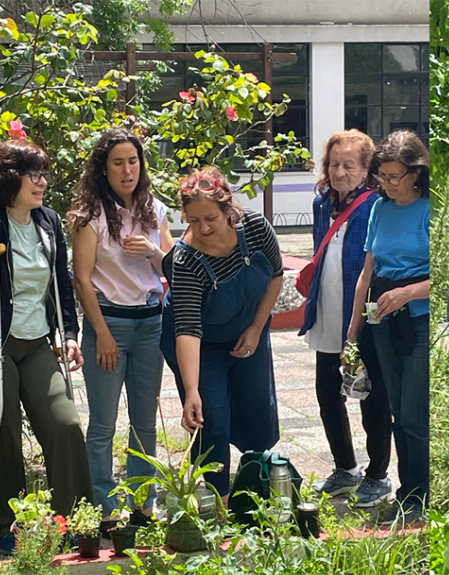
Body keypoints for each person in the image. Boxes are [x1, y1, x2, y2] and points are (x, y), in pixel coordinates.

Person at [0, 139, 92, 554]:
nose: (42, 182)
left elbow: (61, 286)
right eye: (33, 174)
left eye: (44, 173)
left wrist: (69, 333)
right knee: (4, 435)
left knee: (65, 424)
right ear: (8, 179)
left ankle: (77, 523)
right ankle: (6, 533)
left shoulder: (48, 222)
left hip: (37, 343)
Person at [69, 128, 175, 533]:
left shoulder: (154, 210)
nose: (127, 170)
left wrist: (153, 252)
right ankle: (105, 508)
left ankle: (143, 506)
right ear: (104, 168)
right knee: (102, 424)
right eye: (118, 162)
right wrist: (101, 333)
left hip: (150, 324)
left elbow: (170, 268)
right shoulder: (90, 215)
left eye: (133, 161)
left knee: (144, 422)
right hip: (107, 324)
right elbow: (82, 279)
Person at [160, 167, 284, 503]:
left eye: (211, 218)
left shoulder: (256, 228)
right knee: (211, 417)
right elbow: (187, 329)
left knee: (256, 408)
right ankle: (220, 506)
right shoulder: (185, 260)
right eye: (193, 220)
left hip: (248, 329)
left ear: (229, 209)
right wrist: (190, 391)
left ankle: (258, 492)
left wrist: (257, 329)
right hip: (201, 345)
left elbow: (275, 276)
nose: (202, 228)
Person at [299, 130, 394, 507]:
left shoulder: (377, 205)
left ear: (367, 169)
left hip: (362, 316)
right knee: (327, 390)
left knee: (372, 395)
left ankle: (378, 475)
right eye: (334, 164)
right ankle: (345, 468)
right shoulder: (323, 202)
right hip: (326, 311)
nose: (340, 172)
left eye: (349, 165)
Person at [348, 130, 430, 525]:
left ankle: (418, 496)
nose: (389, 184)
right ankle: (407, 491)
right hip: (380, 318)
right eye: (382, 176)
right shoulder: (379, 208)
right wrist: (352, 330)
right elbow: (367, 272)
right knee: (396, 411)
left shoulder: (431, 208)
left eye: (396, 177)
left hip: (417, 319)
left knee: (415, 415)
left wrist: (410, 292)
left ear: (416, 173)